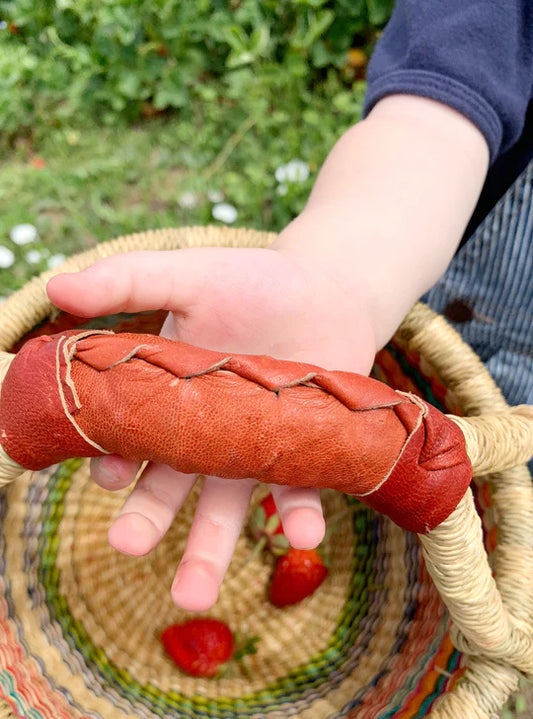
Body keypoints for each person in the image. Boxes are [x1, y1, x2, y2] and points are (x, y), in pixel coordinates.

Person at [47, 0, 533, 613]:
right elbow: (442, 100)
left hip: (502, 398)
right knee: (386, 459)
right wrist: (340, 279)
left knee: (497, 530)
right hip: (405, 307)